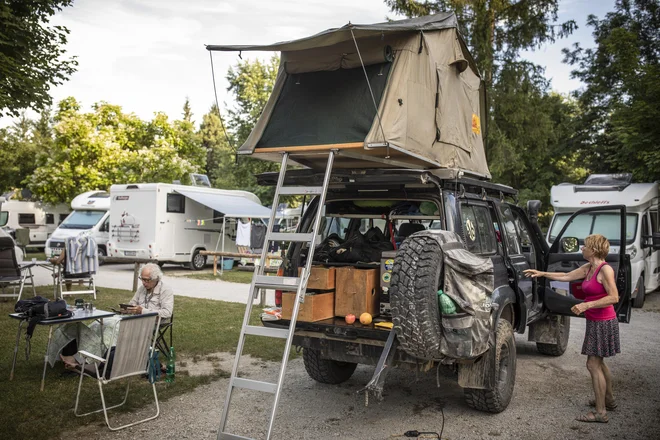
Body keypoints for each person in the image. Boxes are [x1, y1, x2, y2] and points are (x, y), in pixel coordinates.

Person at [523, 234, 620, 424]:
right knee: (599, 363)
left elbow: (614, 297)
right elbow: (566, 276)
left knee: (592, 364)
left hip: (604, 321)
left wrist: (586, 306)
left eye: (585, 246)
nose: (582, 248)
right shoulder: (589, 268)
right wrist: (542, 274)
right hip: (595, 321)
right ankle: (608, 400)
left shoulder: (605, 269)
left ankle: (600, 412)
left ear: (594, 249)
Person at [54, 263, 174, 369]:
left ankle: (84, 360)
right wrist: (127, 309)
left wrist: (142, 311)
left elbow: (167, 313)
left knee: (110, 329)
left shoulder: (165, 290)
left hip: (152, 322)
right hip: (134, 318)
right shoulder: (143, 288)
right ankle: (86, 356)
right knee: (99, 324)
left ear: (156, 278)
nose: (143, 282)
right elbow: (133, 303)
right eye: (142, 279)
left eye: (147, 280)